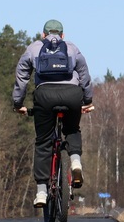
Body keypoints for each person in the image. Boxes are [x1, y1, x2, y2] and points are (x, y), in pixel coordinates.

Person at [12, 19, 94, 207]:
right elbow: (85, 75)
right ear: (63, 35)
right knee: (72, 129)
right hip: (72, 95)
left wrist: (18, 103)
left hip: (45, 96)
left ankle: (41, 192)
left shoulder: (34, 48)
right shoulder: (72, 48)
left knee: (43, 141)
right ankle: (75, 162)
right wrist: (87, 100)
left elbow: (21, 78)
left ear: (43, 35)